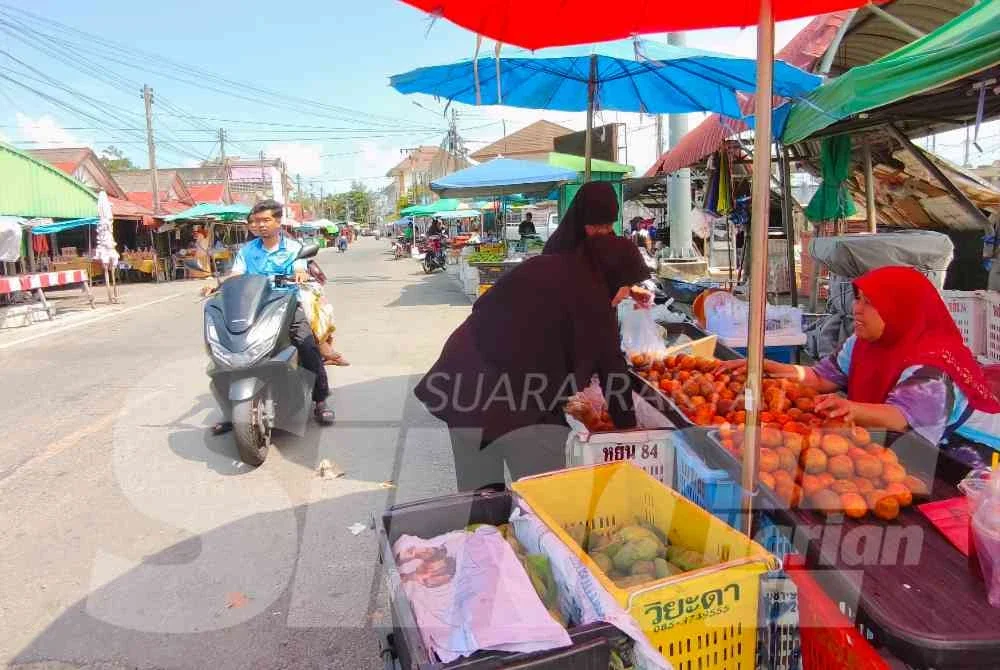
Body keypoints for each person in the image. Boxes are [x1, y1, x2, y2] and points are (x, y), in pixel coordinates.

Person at [414, 234, 651, 491]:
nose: (626, 294)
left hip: (461, 374)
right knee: (543, 493)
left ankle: (484, 527)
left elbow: (487, 306)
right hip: (506, 393)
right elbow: (612, 370)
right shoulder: (593, 301)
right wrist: (628, 431)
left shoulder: (547, 267)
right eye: (626, 286)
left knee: (480, 495)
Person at [725, 266, 1000, 449]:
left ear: (900, 310)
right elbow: (821, 377)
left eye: (870, 302)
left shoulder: (932, 363)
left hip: (973, 455)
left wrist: (850, 409)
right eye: (858, 298)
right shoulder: (863, 343)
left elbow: (901, 417)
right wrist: (772, 369)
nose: (857, 309)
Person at [211, 200, 335, 432]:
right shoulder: (247, 250)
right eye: (257, 221)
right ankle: (232, 411)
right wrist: (217, 284)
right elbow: (237, 274)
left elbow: (299, 267)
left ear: (278, 221)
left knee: (307, 345)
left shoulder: (293, 247)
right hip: (252, 307)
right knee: (228, 348)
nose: (261, 225)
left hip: (285, 305)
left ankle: (320, 400)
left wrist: (299, 274)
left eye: (266, 220)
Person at [542, 182, 618, 255]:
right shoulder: (556, 249)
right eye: (595, 226)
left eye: (608, 225)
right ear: (581, 219)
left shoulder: (615, 245)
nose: (603, 232)